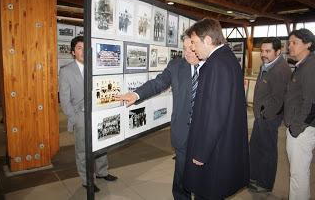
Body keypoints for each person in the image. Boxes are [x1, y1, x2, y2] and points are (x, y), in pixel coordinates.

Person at [116, 34, 204, 200]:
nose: (188, 53)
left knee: (204, 178)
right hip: (182, 132)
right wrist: (136, 94)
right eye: (184, 49)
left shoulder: (213, 67)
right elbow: (158, 83)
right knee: (181, 175)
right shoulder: (177, 65)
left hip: (205, 133)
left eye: (192, 49)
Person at [183, 18, 249, 199]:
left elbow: (214, 115)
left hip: (214, 150)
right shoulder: (227, 59)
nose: (193, 49)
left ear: (208, 41)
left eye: (194, 43)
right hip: (221, 144)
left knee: (207, 193)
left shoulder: (216, 65)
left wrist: (201, 152)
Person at [59, 36, 117, 193]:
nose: (83, 51)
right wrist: (75, 118)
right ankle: (86, 179)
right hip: (81, 116)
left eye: (86, 48)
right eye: (79, 48)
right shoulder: (66, 71)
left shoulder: (97, 67)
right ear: (73, 52)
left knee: (102, 145)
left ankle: (102, 172)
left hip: (99, 114)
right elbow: (64, 100)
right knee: (83, 150)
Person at [249, 37, 291, 193]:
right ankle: (252, 176)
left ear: (278, 51)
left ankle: (265, 184)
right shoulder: (266, 65)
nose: (263, 54)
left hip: (269, 117)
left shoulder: (281, 69)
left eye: (268, 51)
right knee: (255, 147)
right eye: (262, 51)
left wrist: (265, 114)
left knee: (267, 150)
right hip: (262, 116)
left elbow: (278, 98)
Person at [284, 28, 315, 200]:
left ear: (308, 44)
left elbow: (311, 103)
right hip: (300, 127)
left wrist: (296, 127)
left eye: (294, 43)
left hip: (302, 130)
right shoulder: (303, 65)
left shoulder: (310, 66)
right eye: (289, 43)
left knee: (298, 176)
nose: (290, 46)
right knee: (299, 175)